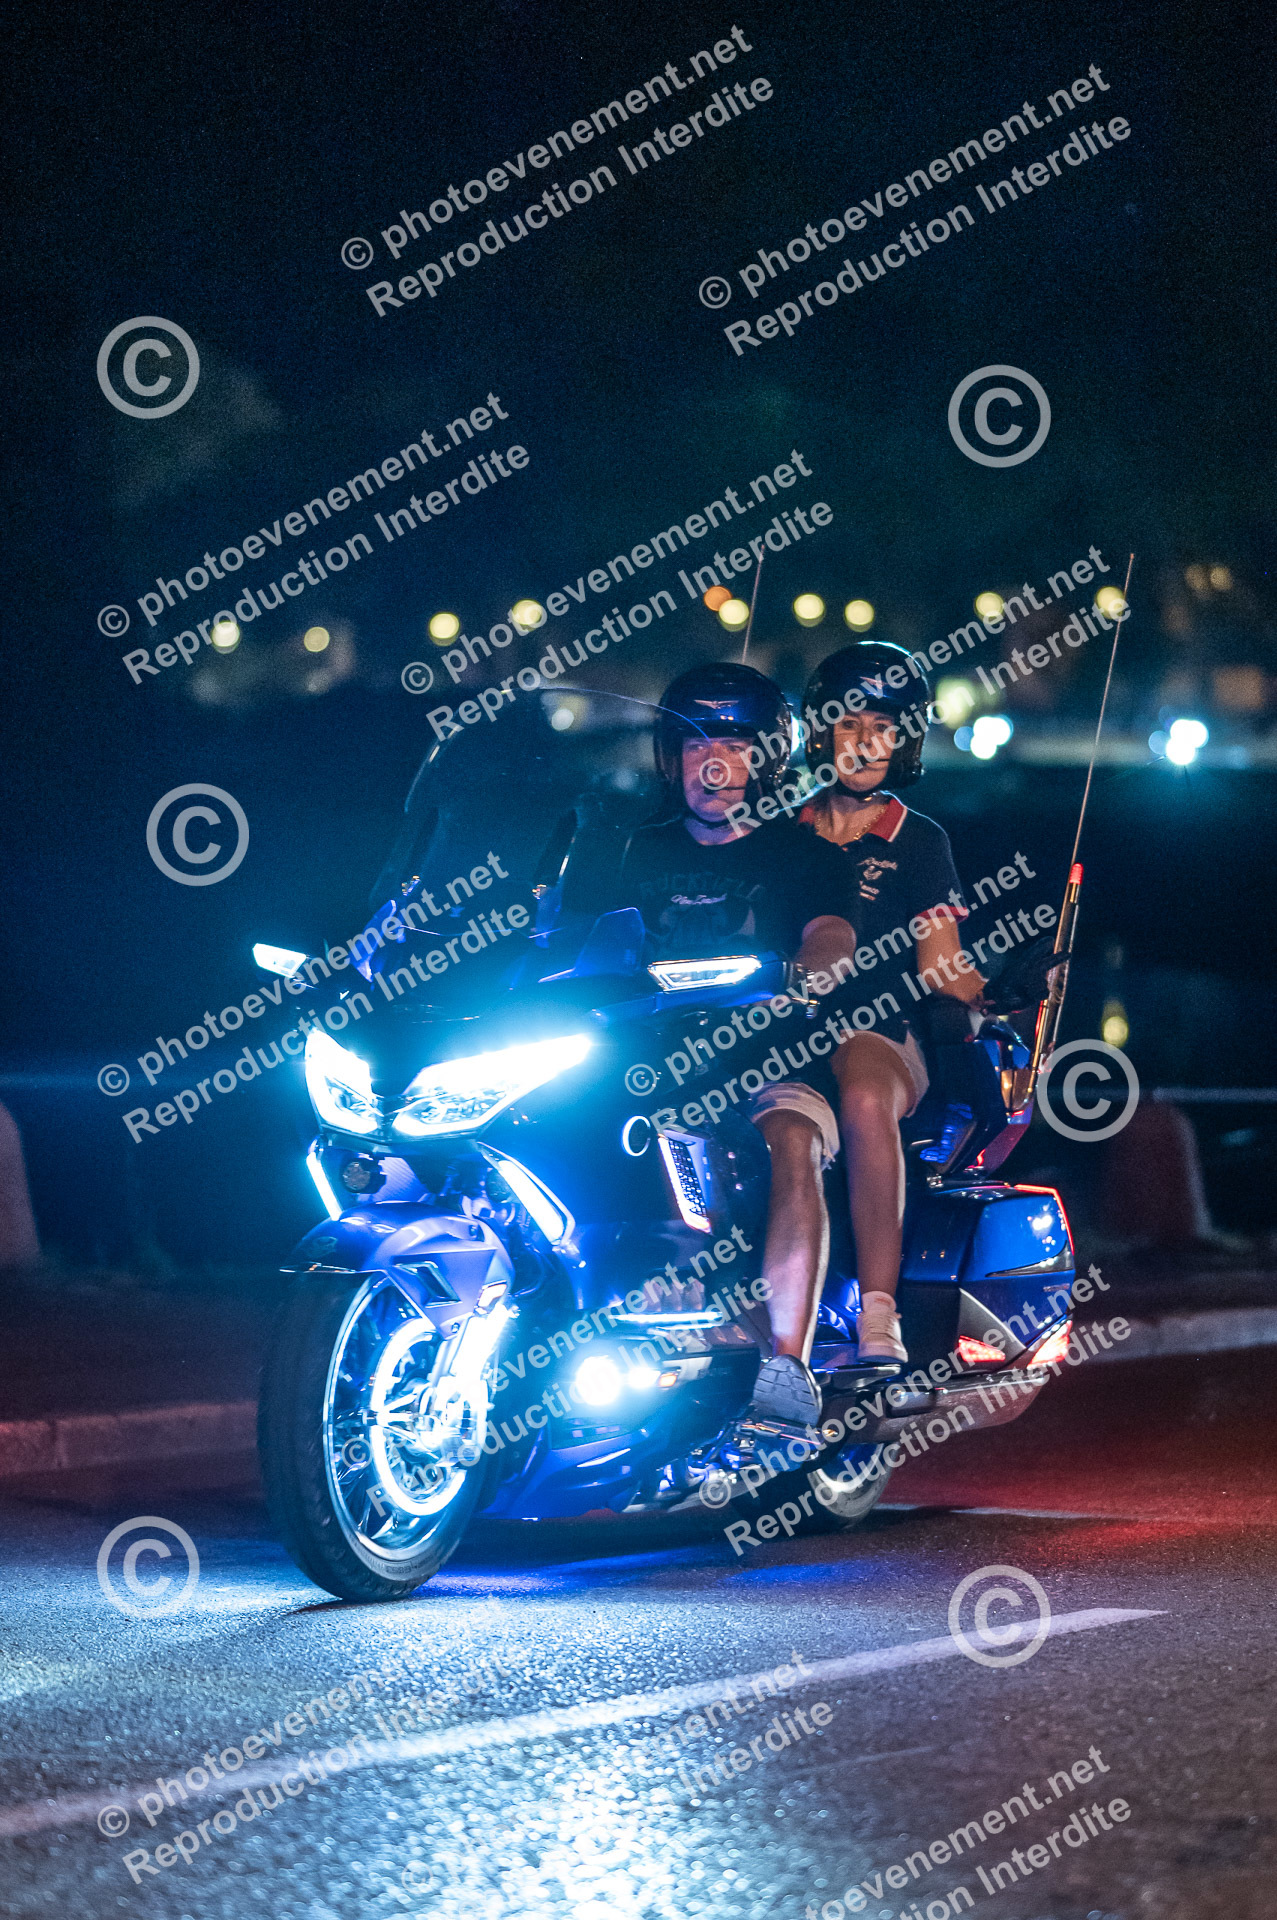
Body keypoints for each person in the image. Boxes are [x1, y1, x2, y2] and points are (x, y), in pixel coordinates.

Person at [606, 663, 861, 1430]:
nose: (711, 765)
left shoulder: (807, 858)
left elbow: (832, 936)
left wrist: (804, 973)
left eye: (732, 746)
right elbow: (560, 930)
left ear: (767, 759)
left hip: (767, 1059)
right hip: (639, 1063)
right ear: (668, 758)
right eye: (693, 747)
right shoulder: (626, 851)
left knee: (791, 1138)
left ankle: (785, 1362)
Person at [798, 642, 985, 1363]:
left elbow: (942, 967)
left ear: (905, 740)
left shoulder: (919, 840)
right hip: (783, 1026)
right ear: (820, 732)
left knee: (865, 1094)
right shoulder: (782, 829)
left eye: (884, 727)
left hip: (881, 1030)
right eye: (849, 724)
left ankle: (880, 1316)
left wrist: (1002, 991)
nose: (865, 742)